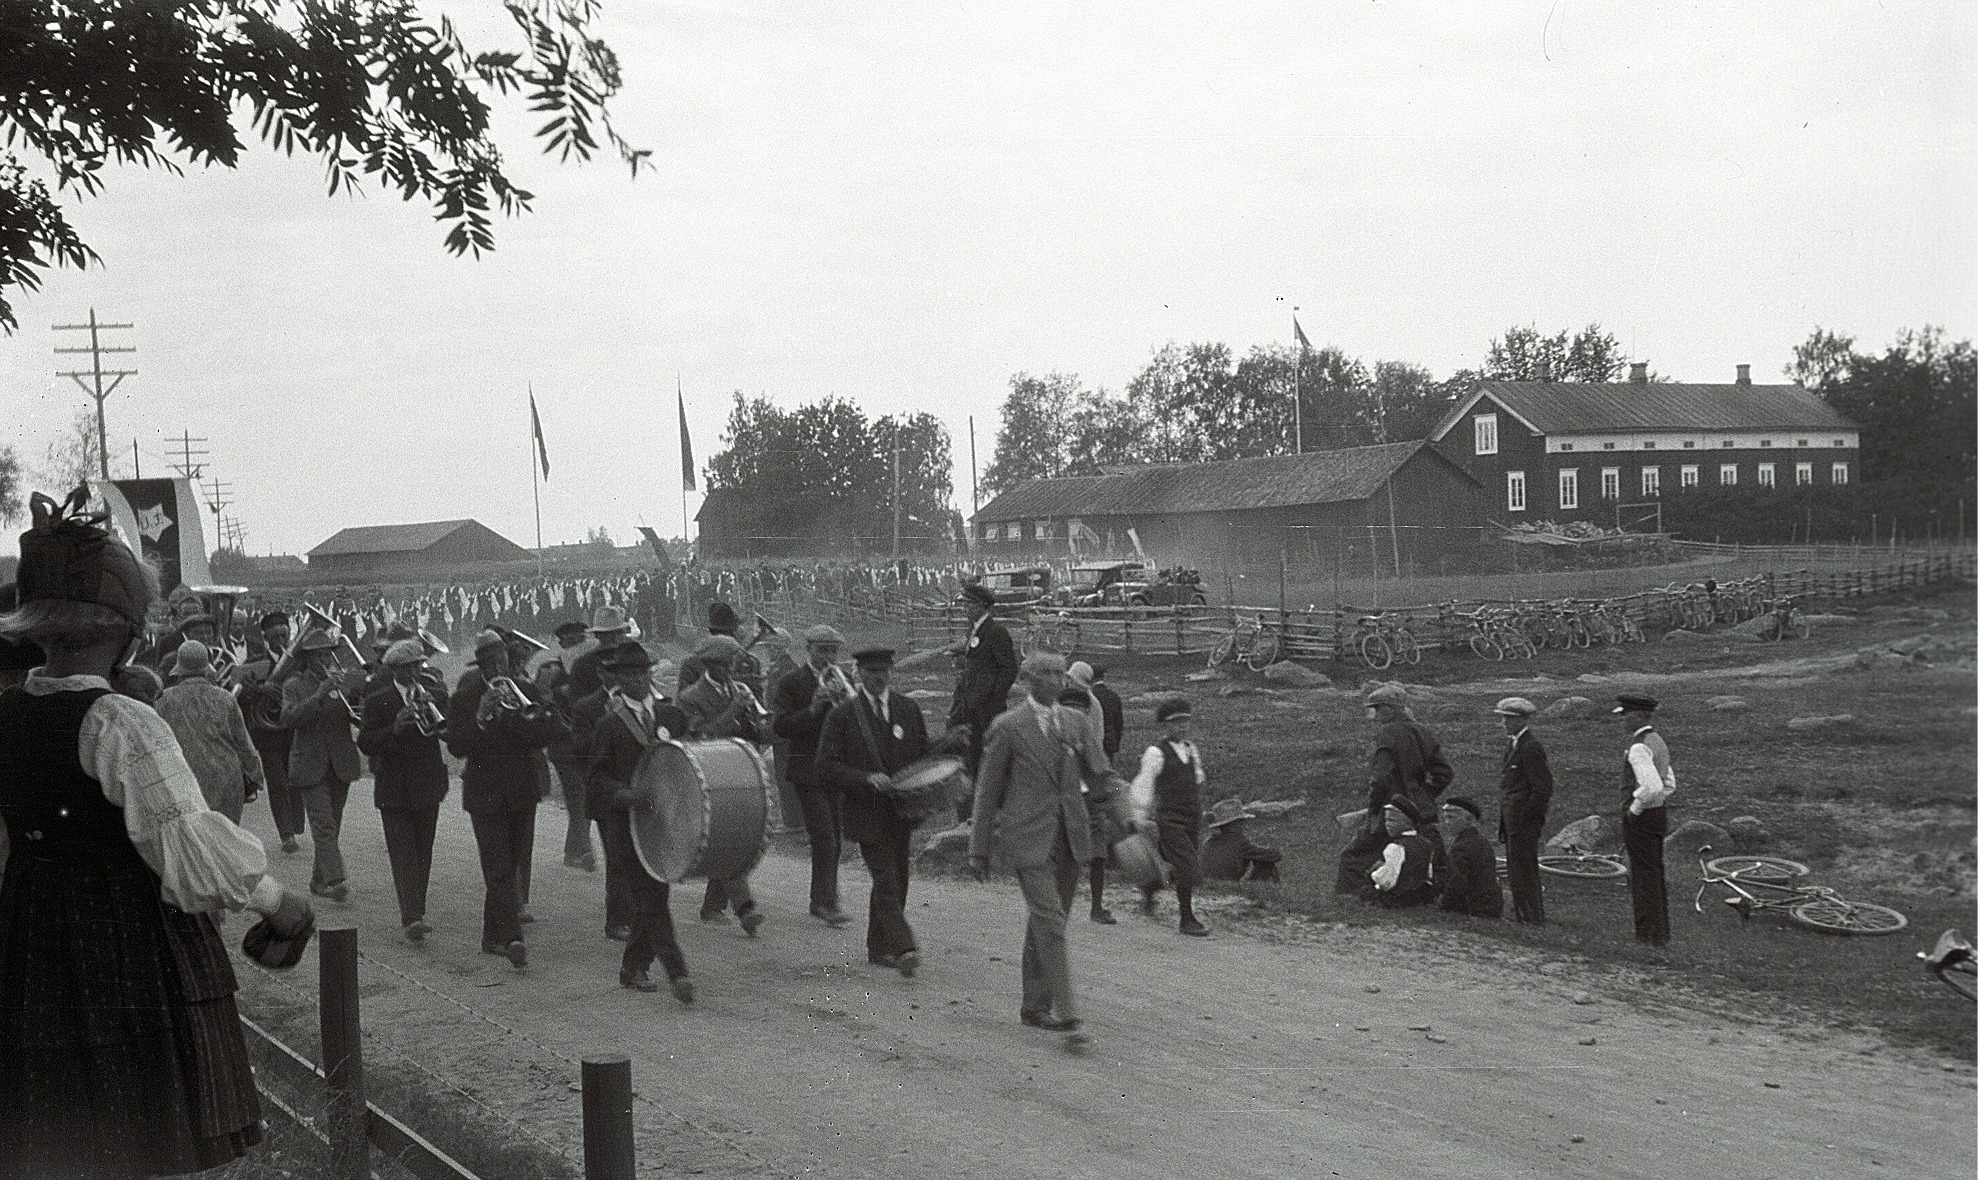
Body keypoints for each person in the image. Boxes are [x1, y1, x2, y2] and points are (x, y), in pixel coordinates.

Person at [0, 487, 314, 1177]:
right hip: (121, 946)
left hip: (31, 941)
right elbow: (192, 851)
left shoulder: (8, 712)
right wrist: (278, 904)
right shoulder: (121, 722)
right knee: (135, 1139)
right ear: (126, 629)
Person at [968, 652, 1109, 1053]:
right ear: (1028, 679)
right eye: (1045, 673)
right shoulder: (1008, 726)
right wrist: (978, 848)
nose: (1054, 679)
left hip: (1071, 836)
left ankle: (1034, 1004)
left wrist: (1126, 815)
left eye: (1059, 673)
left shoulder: (1077, 722)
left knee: (1050, 919)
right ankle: (1069, 1014)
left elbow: (1100, 773)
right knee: (1050, 921)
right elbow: (987, 791)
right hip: (1027, 837)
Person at [586, 642, 696, 1002]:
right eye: (629, 675)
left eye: (642, 673)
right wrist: (626, 794)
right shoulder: (609, 725)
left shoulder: (671, 717)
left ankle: (632, 966)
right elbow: (597, 780)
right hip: (628, 829)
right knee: (652, 901)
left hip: (664, 827)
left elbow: (688, 763)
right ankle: (677, 972)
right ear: (618, 679)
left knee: (655, 897)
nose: (638, 680)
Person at [814, 646, 930, 976]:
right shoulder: (843, 716)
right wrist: (865, 778)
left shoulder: (908, 709)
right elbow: (824, 767)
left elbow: (922, 755)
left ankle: (877, 947)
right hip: (864, 812)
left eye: (883, 672)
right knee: (886, 878)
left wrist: (949, 744)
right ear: (859, 674)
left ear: (890, 673)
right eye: (870, 673)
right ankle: (903, 946)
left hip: (901, 812)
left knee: (898, 880)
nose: (878, 678)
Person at [446, 631, 559, 968]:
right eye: (492, 661)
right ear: (481, 664)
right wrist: (481, 716)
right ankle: (512, 939)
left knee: (508, 867)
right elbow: (456, 746)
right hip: (485, 795)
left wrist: (521, 714)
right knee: (497, 868)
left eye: (503, 660)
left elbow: (541, 737)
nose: (500, 666)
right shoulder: (465, 698)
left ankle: (491, 936)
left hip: (521, 792)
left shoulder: (526, 692)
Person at [357, 640, 451, 943]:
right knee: (402, 852)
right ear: (395, 669)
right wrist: (394, 728)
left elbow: (447, 732)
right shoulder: (378, 700)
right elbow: (366, 743)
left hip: (427, 783)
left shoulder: (434, 694)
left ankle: (417, 911)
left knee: (423, 851)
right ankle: (411, 916)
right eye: (408, 668)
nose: (414, 672)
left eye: (418, 666)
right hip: (394, 787)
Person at [676, 633, 769, 934]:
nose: (730, 669)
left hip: (739, 772)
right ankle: (744, 907)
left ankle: (715, 906)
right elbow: (701, 737)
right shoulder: (690, 697)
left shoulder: (738, 689)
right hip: (707, 776)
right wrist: (733, 710)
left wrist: (757, 721)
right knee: (726, 841)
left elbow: (755, 730)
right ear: (709, 665)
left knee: (732, 841)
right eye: (724, 664)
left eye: (732, 663)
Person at [772, 623, 855, 927]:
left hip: (834, 768)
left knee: (833, 834)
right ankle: (825, 901)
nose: (828, 657)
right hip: (806, 769)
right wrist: (813, 707)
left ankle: (822, 898)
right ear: (808, 649)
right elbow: (780, 726)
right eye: (822, 650)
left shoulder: (841, 678)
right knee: (825, 836)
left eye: (833, 651)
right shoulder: (791, 682)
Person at [282, 628, 364, 904]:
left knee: (333, 823)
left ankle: (319, 880)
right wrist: (319, 694)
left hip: (340, 763)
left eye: (328, 653)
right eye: (318, 655)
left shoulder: (341, 681)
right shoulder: (293, 685)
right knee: (324, 825)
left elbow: (357, 715)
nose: (325, 659)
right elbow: (289, 718)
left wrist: (353, 697)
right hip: (309, 764)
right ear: (307, 659)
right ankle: (336, 879)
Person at [155, 640, 266, 824]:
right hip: (226, 780)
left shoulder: (163, 700)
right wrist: (255, 777)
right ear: (207, 666)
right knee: (225, 838)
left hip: (183, 780)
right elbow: (243, 743)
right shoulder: (226, 698)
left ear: (179, 667)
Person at [1126, 697, 1212, 936]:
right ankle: (1187, 919)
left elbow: (1197, 780)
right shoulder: (1156, 753)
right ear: (1164, 726)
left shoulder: (1191, 749)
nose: (1182, 727)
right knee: (1188, 866)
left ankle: (1151, 887)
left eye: (1186, 722)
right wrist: (1139, 816)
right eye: (1176, 723)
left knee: (1180, 863)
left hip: (1192, 817)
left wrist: (1201, 808)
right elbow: (1144, 785)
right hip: (1170, 818)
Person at [1362, 682, 1454, 879]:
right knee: (1430, 854)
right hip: (1421, 808)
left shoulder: (1387, 734)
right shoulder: (1422, 731)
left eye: (1378, 708)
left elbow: (1380, 779)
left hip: (1392, 810)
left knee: (1354, 855)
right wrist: (1426, 793)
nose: (1375, 715)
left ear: (1390, 710)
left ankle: (1355, 897)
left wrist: (1374, 807)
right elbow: (1444, 773)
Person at [948, 582, 1019, 820]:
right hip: (970, 706)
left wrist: (994, 696)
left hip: (987, 709)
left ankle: (994, 811)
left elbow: (1009, 668)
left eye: (967, 604)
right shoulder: (974, 630)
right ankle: (974, 813)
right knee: (972, 756)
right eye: (963, 604)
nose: (964, 609)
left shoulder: (995, 632)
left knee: (990, 759)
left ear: (982, 606)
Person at [240, 610, 304, 853]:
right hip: (268, 733)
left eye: (284, 634)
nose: (281, 639)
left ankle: (295, 824)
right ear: (266, 637)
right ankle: (287, 835)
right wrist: (260, 690)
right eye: (275, 635)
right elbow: (242, 695)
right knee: (277, 784)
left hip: (293, 729)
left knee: (296, 780)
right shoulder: (255, 663)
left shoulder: (300, 662)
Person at [1616, 694, 1676, 946]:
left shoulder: (1639, 746)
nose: (1622, 722)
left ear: (1638, 716)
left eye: (1625, 716)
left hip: (1642, 818)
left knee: (1642, 876)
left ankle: (1648, 934)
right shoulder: (1657, 741)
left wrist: (1634, 808)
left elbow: (1651, 786)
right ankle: (1659, 932)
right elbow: (1669, 783)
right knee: (1653, 872)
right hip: (1658, 814)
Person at [539, 619, 598, 871]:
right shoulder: (550, 669)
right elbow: (542, 704)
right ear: (562, 644)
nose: (577, 647)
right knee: (577, 797)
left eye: (580, 641)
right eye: (572, 642)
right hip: (563, 744)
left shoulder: (592, 668)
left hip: (586, 741)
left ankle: (572, 851)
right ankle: (586, 851)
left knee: (583, 797)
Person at [1494, 696, 1554, 924]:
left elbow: (1542, 789)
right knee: (1515, 868)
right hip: (1513, 819)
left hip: (1523, 822)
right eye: (1503, 719)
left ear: (1523, 720)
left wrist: (1526, 817)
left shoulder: (1530, 747)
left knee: (1524, 869)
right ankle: (1522, 913)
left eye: (1510, 719)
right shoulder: (1514, 744)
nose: (1505, 724)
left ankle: (1531, 916)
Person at [677, 602, 765, 698]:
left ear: (710, 629)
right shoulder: (749, 661)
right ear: (734, 630)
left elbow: (683, 702)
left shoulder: (690, 663)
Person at [1437, 796, 1503, 918]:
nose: (1447, 822)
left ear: (1469, 820)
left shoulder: (1461, 847)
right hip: (1491, 905)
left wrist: (1443, 904)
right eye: (1445, 817)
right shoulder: (1481, 841)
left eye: (1452, 817)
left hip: (1474, 908)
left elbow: (1457, 882)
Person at [1368, 798, 1439, 908]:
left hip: (1397, 898)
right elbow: (1428, 874)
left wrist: (1373, 875)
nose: (1388, 825)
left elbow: (1386, 882)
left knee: (1365, 890)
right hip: (1418, 897)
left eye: (1392, 821)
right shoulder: (1427, 844)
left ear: (1408, 822)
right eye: (1386, 821)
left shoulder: (1396, 847)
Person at [1200, 799, 1283, 883]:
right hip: (1227, 886)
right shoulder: (1239, 841)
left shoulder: (1208, 842)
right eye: (1241, 821)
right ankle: (1268, 892)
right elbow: (1275, 855)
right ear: (1234, 823)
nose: (1243, 824)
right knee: (1267, 863)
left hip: (1208, 885)